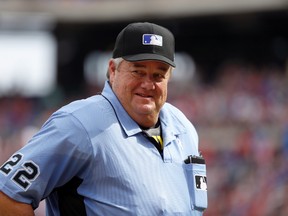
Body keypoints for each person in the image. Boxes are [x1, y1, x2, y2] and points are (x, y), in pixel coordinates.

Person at [0, 22, 207, 215]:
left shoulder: (182, 126)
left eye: (158, 76)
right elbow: (6, 195)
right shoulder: (78, 123)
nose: (147, 84)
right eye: (138, 71)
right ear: (113, 70)